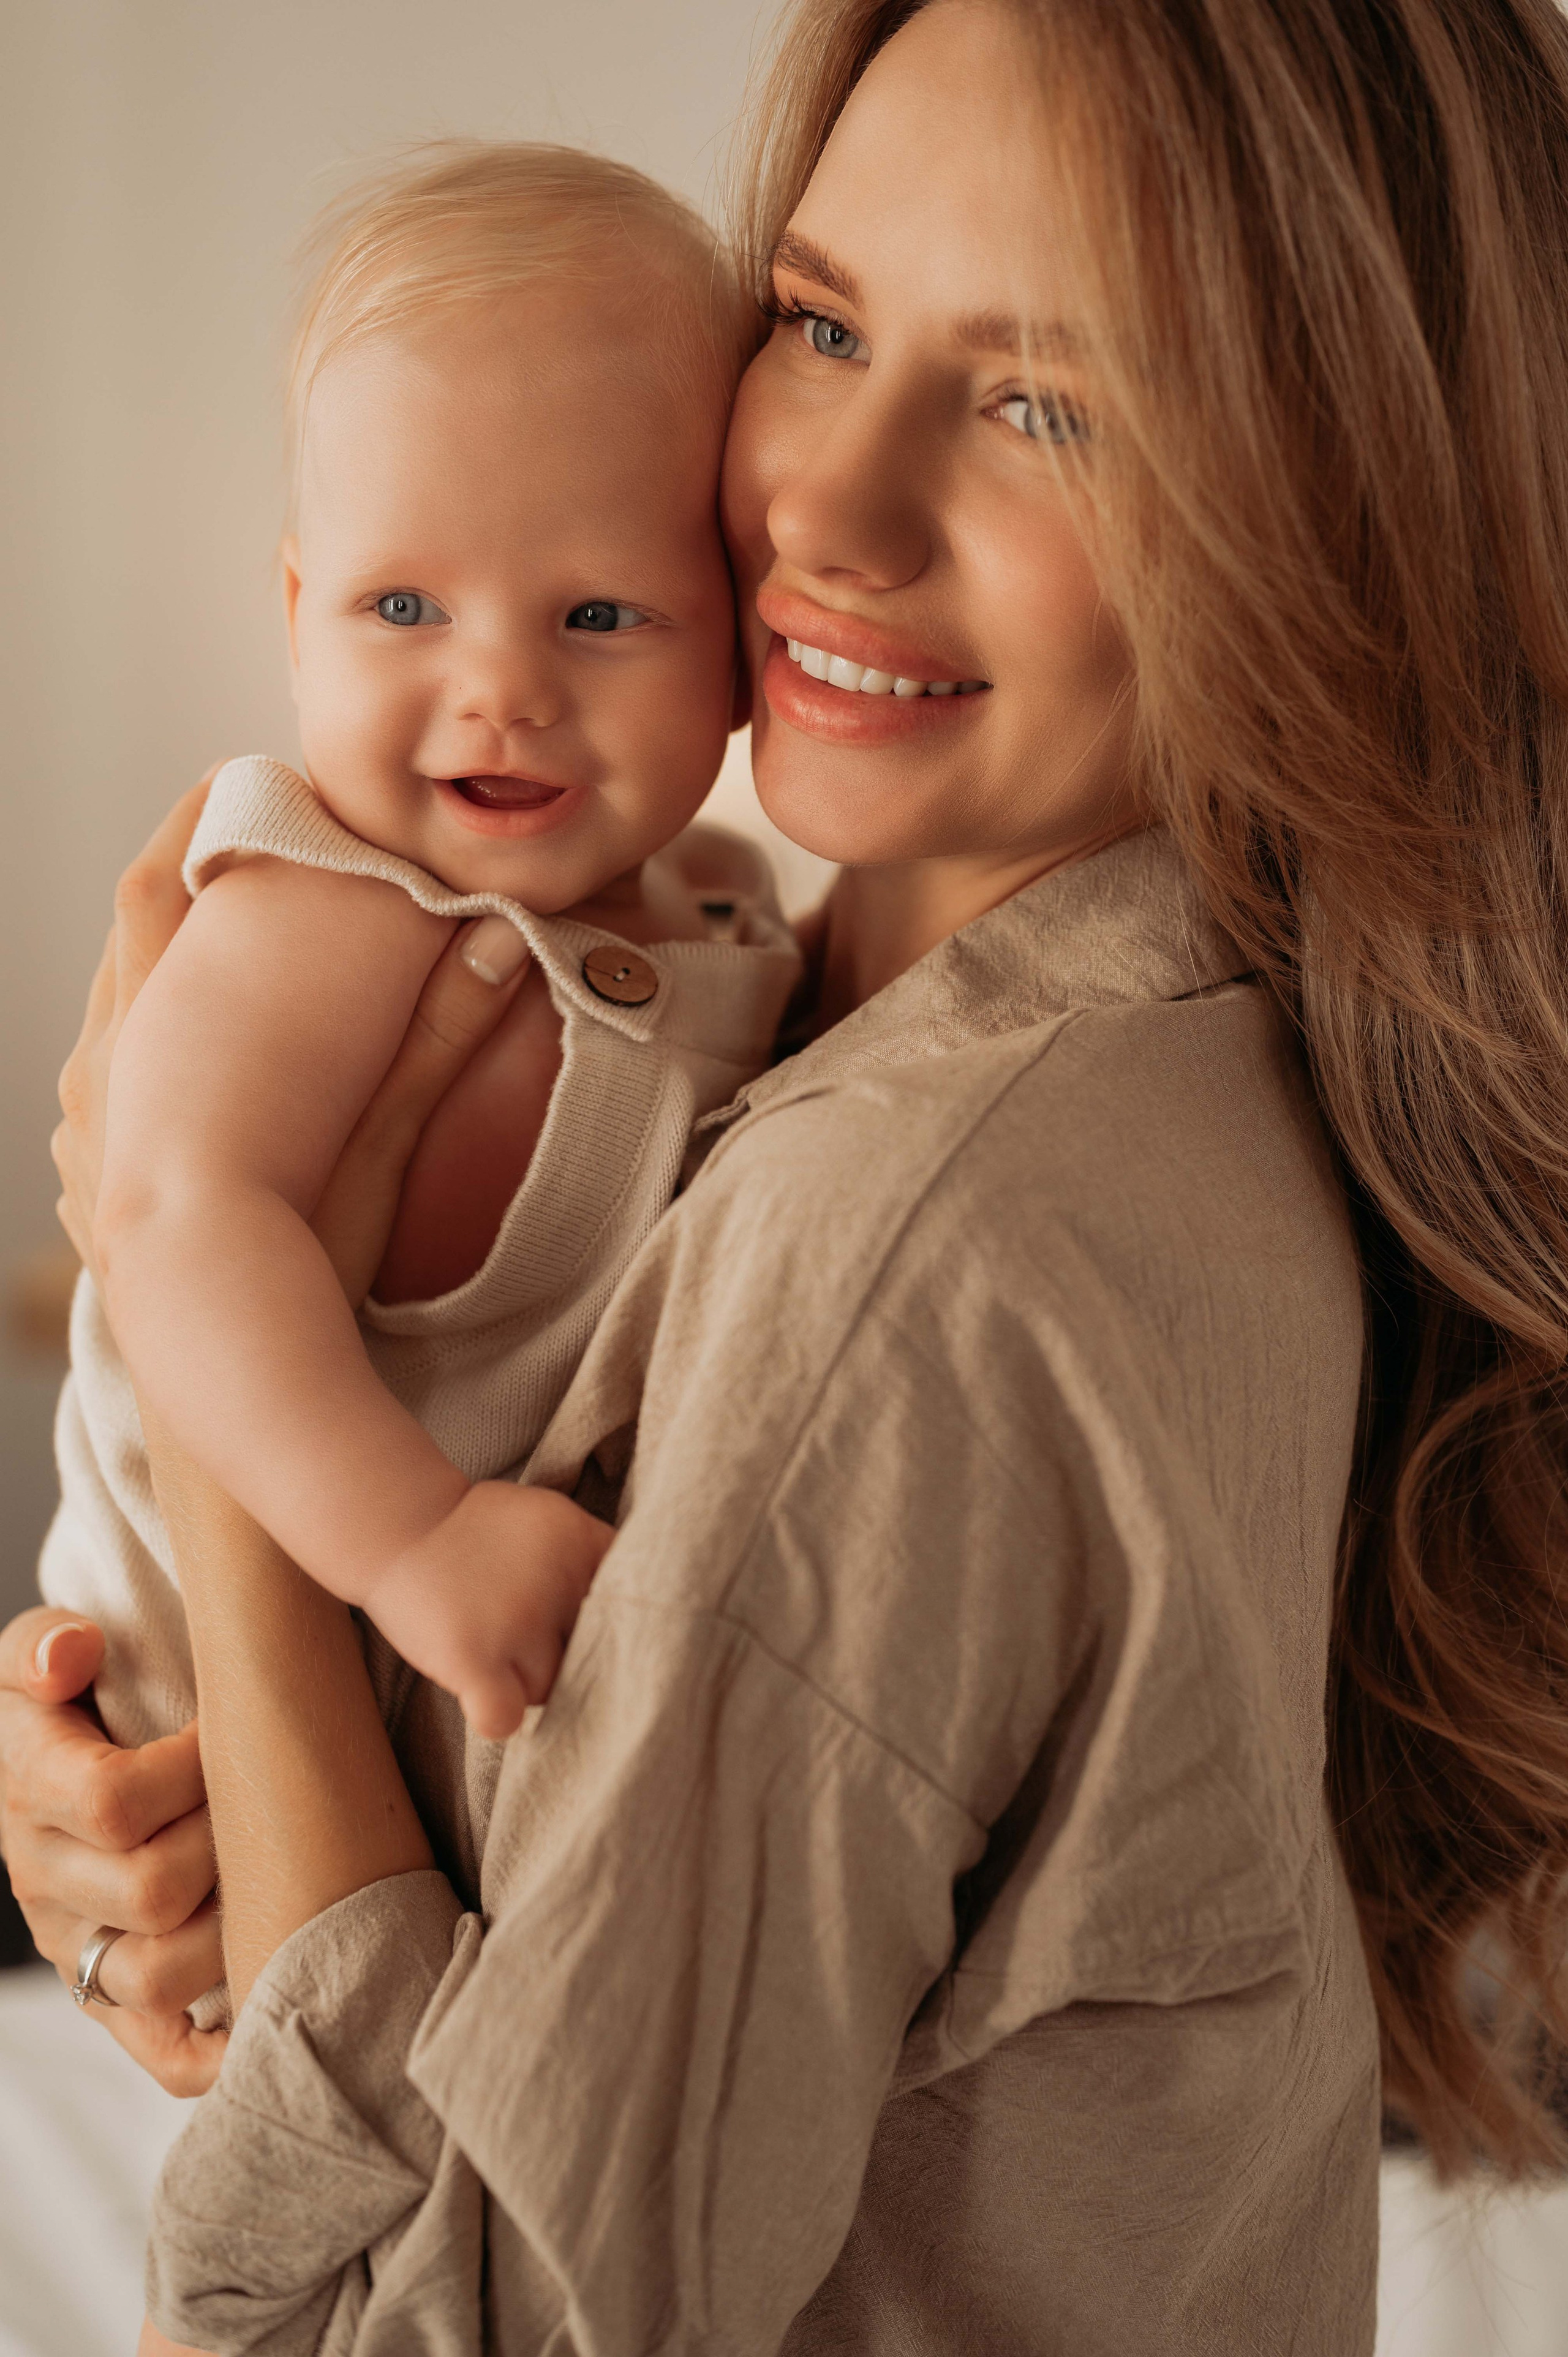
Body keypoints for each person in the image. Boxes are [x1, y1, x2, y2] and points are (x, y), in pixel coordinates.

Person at [6, 0, 1568, 2348]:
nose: (828, 508)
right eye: (823, 323)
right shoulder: (934, 991)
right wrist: (182, 1815)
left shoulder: (907, 1246)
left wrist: (232, 1498)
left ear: (1329, 510)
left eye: (1050, 404)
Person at [53, 141, 799, 1747]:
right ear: (298, 612)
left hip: (469, 1703)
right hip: (202, 1694)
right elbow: (173, 1214)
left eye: (599, 615)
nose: (500, 690)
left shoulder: (730, 905)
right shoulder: (329, 898)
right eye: (404, 609)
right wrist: (412, 1535)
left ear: (743, 647)